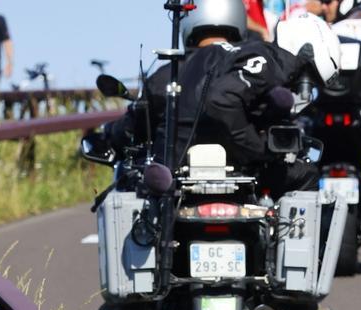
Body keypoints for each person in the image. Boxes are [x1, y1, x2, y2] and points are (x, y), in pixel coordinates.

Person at [109, 0, 339, 194]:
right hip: (240, 174)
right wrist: (257, 150)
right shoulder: (257, 58)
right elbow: (222, 101)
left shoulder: (170, 70)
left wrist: (109, 136)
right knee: (306, 175)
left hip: (173, 176)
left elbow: (134, 122)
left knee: (130, 188)